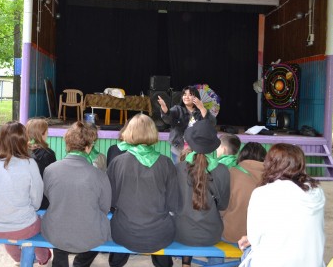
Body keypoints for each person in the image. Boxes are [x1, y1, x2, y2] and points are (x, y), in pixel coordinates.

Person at [238, 143, 325, 267]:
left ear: (269, 164)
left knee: (246, 250)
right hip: (313, 262)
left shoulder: (262, 193)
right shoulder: (317, 191)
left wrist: (250, 239)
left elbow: (255, 239)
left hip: (273, 262)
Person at [107, 114, 178, 267]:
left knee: (118, 220)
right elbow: (174, 204)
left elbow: (110, 201)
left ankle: (115, 263)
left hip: (124, 233)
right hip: (160, 234)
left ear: (129, 132)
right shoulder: (166, 163)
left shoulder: (117, 162)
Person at [0, 121, 51, 266]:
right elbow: (36, 201)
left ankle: (18, 257)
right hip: (22, 227)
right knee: (40, 224)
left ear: (0, 138)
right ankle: (43, 257)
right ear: (24, 140)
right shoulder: (29, 163)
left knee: (11, 229)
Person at [41, 121, 111, 267]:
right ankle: (80, 263)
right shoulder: (99, 175)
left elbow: (49, 197)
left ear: (67, 145)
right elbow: (105, 208)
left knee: (59, 222)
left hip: (55, 232)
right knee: (102, 227)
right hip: (89, 235)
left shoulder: (50, 170)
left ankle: (60, 261)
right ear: (88, 147)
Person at [173, 119, 230, 267]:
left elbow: (172, 204)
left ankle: (186, 263)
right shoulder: (223, 170)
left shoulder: (178, 168)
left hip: (181, 233)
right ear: (213, 145)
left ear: (190, 142)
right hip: (211, 234)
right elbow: (223, 205)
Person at [221, 142, 266, 244]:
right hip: (259, 238)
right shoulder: (272, 178)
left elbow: (222, 207)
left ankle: (216, 260)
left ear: (242, 155)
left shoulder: (232, 173)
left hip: (232, 234)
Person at [158, 85, 216, 163]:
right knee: (179, 171)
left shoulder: (201, 112)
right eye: (184, 94)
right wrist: (164, 109)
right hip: (178, 149)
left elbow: (211, 123)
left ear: (196, 97)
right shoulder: (177, 109)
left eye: (190, 95)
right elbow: (168, 119)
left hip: (196, 150)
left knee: (192, 173)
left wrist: (202, 108)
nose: (186, 97)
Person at [26, 118, 56, 210]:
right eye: (47, 132)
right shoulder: (48, 154)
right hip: (43, 200)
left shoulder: (22, 151)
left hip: (25, 198)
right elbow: (53, 179)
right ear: (42, 134)